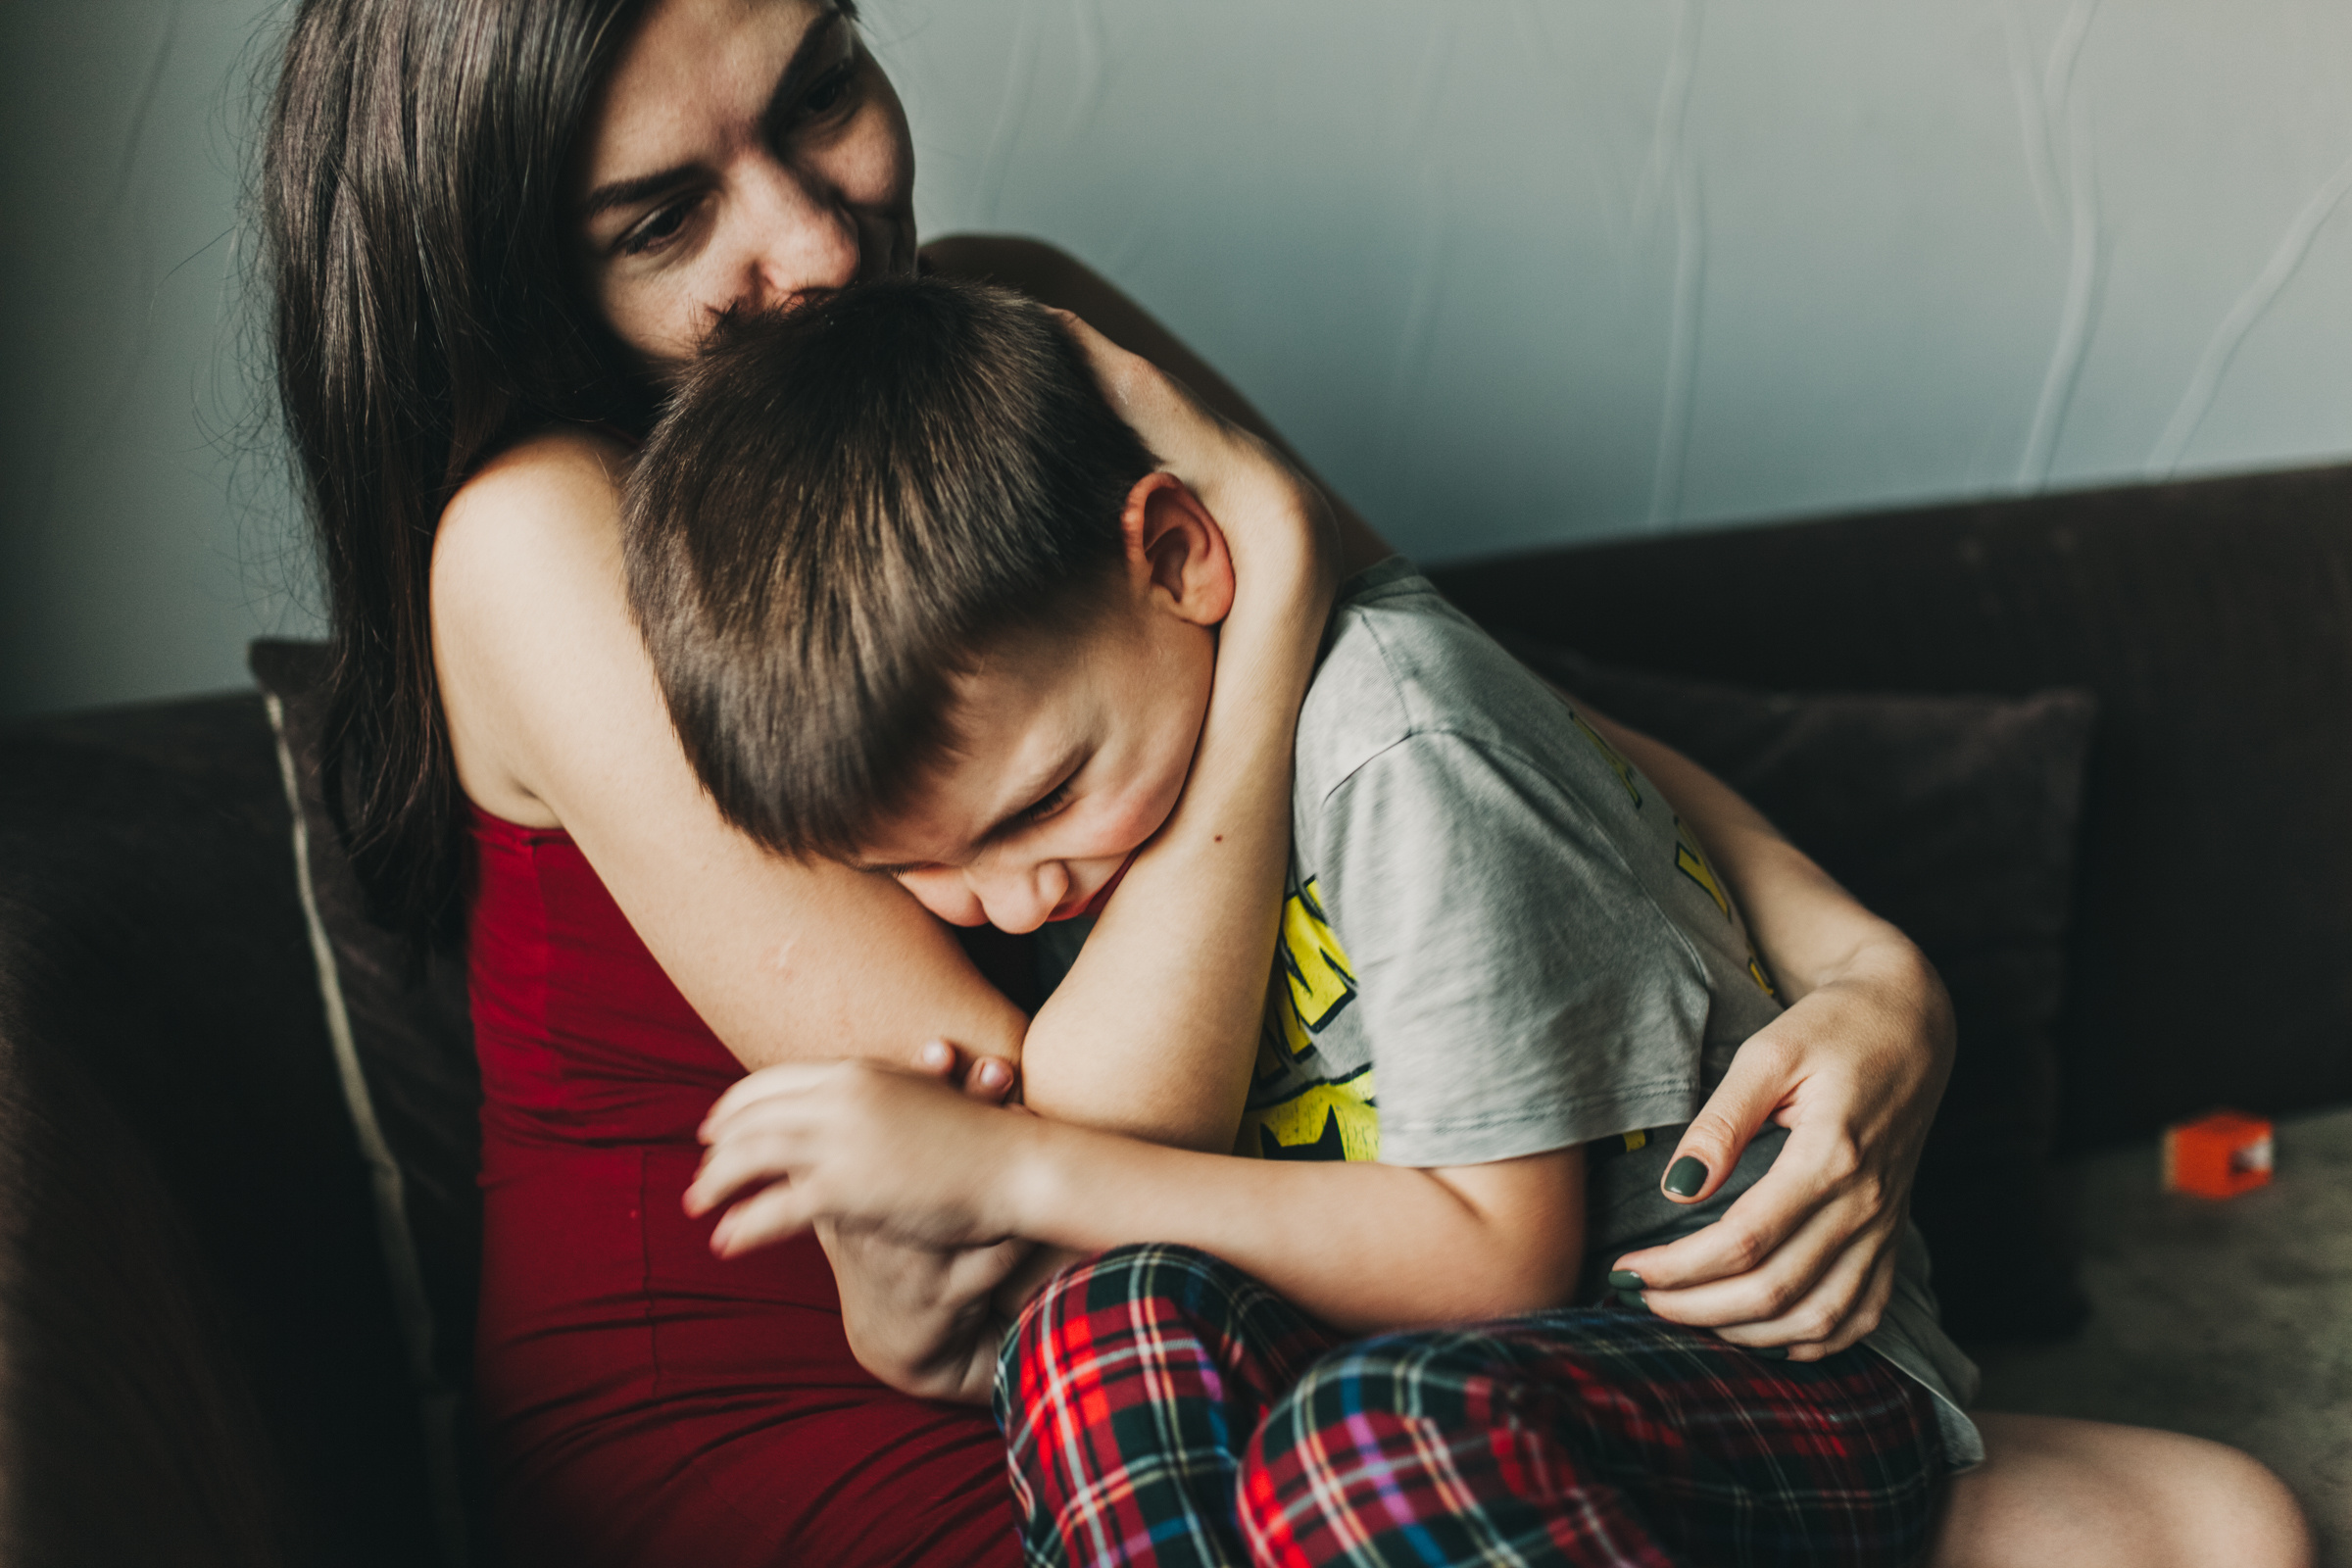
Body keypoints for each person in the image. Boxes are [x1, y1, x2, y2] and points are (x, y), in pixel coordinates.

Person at [253, 0, 2184, 1562]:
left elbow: (1462, 719)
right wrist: (1265, 592)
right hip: (829, 1419)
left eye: (824, 88)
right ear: (516, 272)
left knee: (2202, 1521)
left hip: (1241, 1289)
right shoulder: (537, 535)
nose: (819, 241)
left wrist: (1865, 968)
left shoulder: (995, 321)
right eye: (667, 217)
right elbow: (1031, 1160)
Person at [644, 279, 2311, 1568]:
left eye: (1031, 810)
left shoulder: (1397, 736)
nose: (1010, 903)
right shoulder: (1110, 781)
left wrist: (1011, 1170)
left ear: (1180, 556)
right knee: (1096, 1331)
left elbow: (1496, 1265)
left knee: (1369, 1438)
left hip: (1761, 1372)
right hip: (1441, 1420)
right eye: (920, 876)